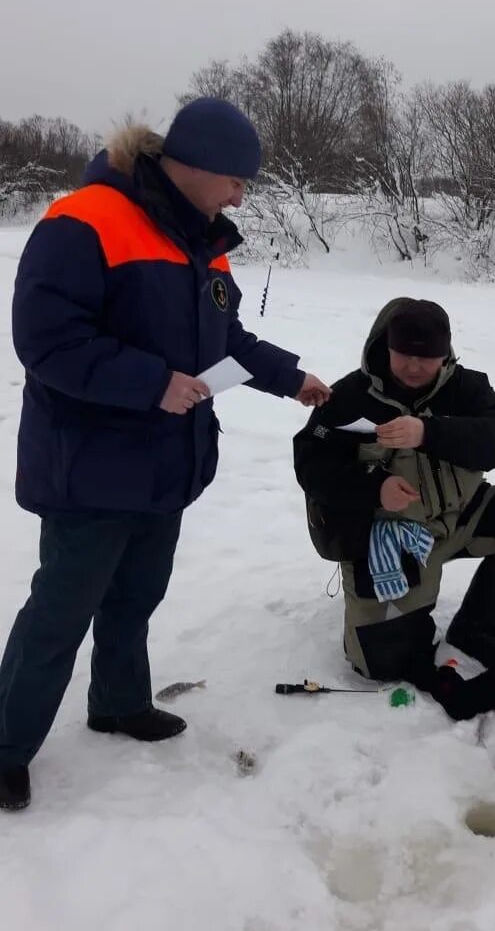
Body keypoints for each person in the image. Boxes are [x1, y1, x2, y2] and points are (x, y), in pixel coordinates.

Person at [0, 98, 330, 810]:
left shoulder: (202, 240)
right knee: (60, 613)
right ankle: (4, 745)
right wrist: (153, 383)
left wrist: (291, 378)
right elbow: (48, 341)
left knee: (135, 598)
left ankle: (119, 703)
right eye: (237, 180)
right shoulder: (85, 220)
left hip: (165, 464)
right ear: (194, 165)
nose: (242, 195)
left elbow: (227, 342)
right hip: (89, 466)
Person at [293, 297, 495, 719]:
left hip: (463, 516)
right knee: (382, 667)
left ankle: (475, 626)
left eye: (426, 357)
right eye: (404, 353)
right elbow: (310, 463)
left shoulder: (467, 387)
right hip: (392, 541)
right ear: (385, 346)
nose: (413, 366)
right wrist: (376, 489)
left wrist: (428, 431)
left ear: (445, 354)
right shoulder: (349, 397)